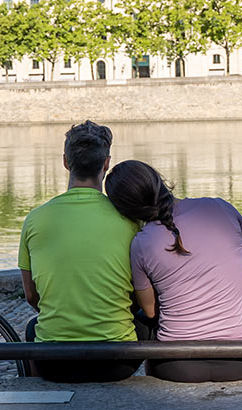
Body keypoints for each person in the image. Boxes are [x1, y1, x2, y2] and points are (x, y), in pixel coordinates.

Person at [105, 159, 242, 382]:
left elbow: (150, 312)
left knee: (142, 321)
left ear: (126, 210)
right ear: (159, 181)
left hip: (177, 366)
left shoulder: (141, 243)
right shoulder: (222, 208)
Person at [18, 120, 150, 382]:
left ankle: (34, 391)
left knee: (34, 328)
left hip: (54, 365)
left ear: (66, 162)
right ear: (106, 163)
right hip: (118, 363)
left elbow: (32, 295)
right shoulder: (130, 220)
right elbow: (142, 292)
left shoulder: (35, 219)